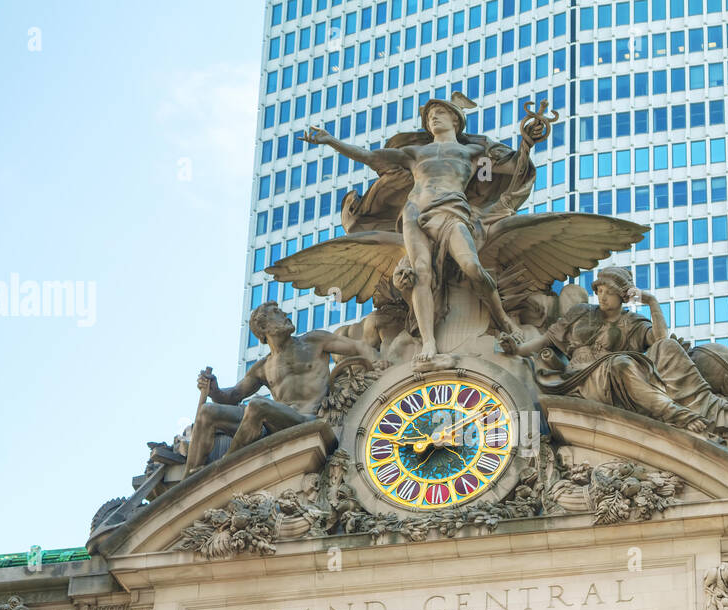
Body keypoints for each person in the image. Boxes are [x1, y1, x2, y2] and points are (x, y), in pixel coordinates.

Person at [300, 99, 526, 363]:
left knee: (472, 266)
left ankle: (503, 320)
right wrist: (331, 141)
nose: (434, 119)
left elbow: (515, 167)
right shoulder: (416, 153)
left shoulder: (474, 152)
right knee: (420, 272)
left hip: (451, 211)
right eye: (430, 116)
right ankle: (428, 341)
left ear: (456, 120)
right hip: (415, 212)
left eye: (440, 113)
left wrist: (529, 143)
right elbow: (370, 156)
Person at [500, 267, 728, 433]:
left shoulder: (631, 322)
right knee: (621, 363)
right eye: (600, 290)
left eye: (609, 292)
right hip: (577, 379)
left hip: (613, 382)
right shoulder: (580, 312)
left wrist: (651, 302)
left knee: (664, 348)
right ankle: (673, 412)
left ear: (623, 295)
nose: (602, 296)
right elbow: (545, 341)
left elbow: (661, 339)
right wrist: (518, 349)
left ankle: (698, 405)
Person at [182, 302, 378, 478]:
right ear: (263, 326)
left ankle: (226, 467)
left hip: (308, 419)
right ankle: (190, 479)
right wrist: (214, 389)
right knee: (207, 412)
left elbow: (358, 347)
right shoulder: (263, 367)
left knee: (258, 406)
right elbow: (232, 396)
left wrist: (380, 362)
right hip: (274, 425)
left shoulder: (314, 341)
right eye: (277, 312)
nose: (285, 314)